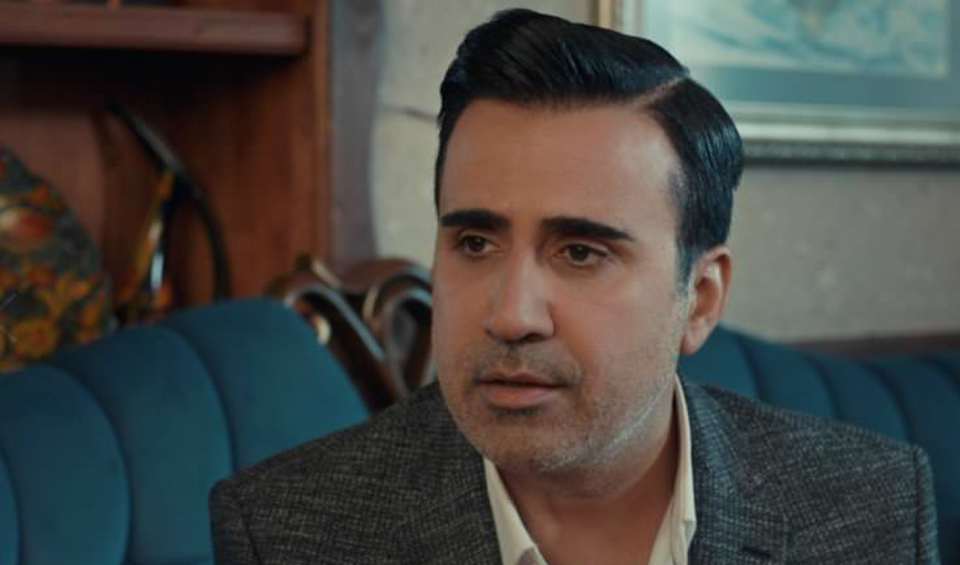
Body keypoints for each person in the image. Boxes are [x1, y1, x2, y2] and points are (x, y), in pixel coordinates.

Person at [210, 9, 939, 564]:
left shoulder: (864, 506)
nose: (511, 315)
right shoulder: (289, 532)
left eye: (582, 252)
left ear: (701, 297)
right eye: (474, 243)